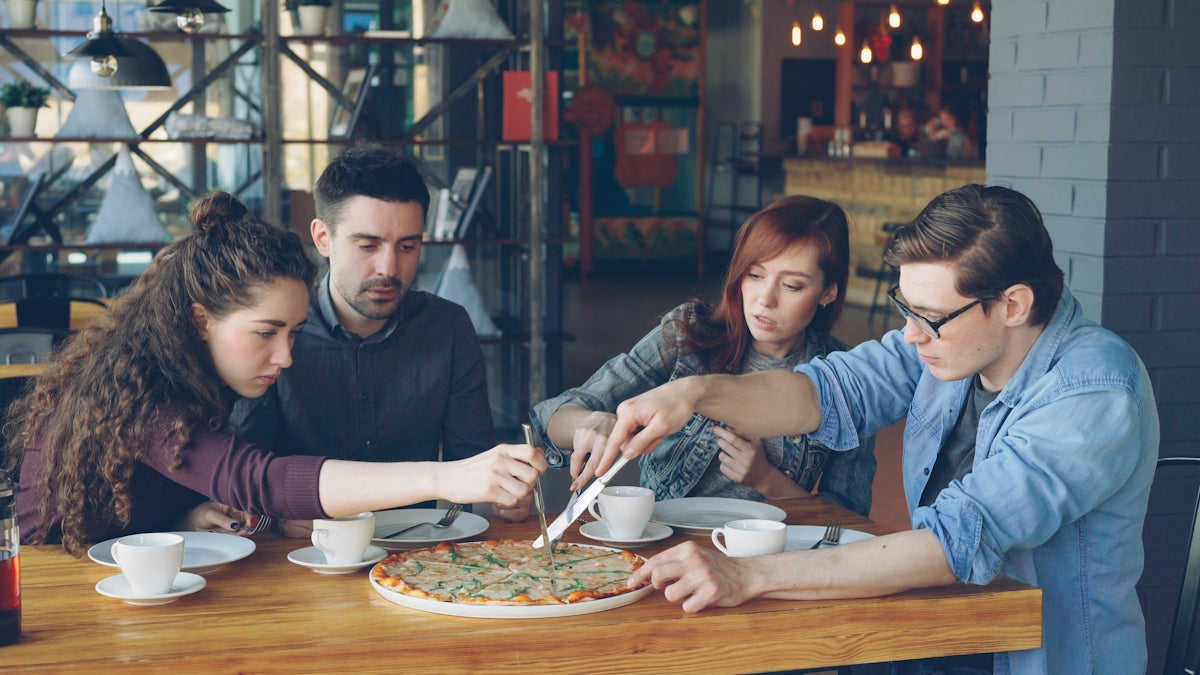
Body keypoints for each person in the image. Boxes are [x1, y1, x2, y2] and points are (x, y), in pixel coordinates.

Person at [596, 185, 1158, 673]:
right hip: (926, 636)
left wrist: (747, 576)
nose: (911, 335)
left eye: (929, 317)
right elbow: (823, 391)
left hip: (1031, 657)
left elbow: (952, 543)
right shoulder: (948, 345)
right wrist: (695, 393)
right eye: (904, 309)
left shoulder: (1092, 390)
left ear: (1013, 304)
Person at [3, 192, 545, 556]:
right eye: (266, 333)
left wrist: (187, 519)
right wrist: (443, 477)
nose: (285, 357)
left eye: (294, 332)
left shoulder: (193, 369)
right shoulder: (145, 394)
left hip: (136, 568)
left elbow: (167, 496)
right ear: (201, 320)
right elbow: (259, 478)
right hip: (54, 584)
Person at [231, 145, 532, 531]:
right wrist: (275, 520)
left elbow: (474, 473)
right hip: (301, 555)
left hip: (419, 551)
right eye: (368, 245)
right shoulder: (277, 330)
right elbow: (238, 476)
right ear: (324, 238)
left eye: (408, 246)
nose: (389, 268)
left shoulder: (448, 327)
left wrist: (506, 496)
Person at [529, 195, 875, 516]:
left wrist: (767, 481)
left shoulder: (846, 377)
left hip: (770, 559)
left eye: (792, 286)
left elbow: (847, 518)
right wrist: (590, 422)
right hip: (669, 544)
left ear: (828, 291)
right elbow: (551, 417)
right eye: (754, 275)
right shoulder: (690, 335)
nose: (764, 299)